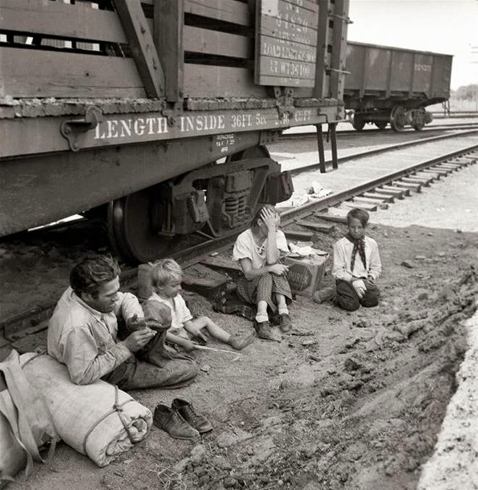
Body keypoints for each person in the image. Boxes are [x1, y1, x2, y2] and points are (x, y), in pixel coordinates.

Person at [47, 255, 199, 389]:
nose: (116, 298)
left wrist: (134, 318)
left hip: (113, 343)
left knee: (158, 310)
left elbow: (126, 298)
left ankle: (150, 355)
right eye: (110, 295)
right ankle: (144, 361)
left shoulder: (83, 290)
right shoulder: (77, 327)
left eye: (116, 291)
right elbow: (83, 375)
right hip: (109, 370)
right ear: (88, 296)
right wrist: (126, 347)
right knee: (189, 367)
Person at [146, 259, 255, 352]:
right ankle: (177, 348)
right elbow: (161, 333)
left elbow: (186, 321)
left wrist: (197, 333)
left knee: (204, 320)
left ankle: (232, 340)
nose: (180, 288)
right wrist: (183, 341)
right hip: (166, 338)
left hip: (180, 332)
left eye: (179, 284)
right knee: (166, 345)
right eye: (174, 285)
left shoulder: (177, 297)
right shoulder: (154, 304)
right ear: (160, 286)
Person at [232, 204, 293, 341]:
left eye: (276, 226)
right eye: (272, 226)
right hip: (249, 287)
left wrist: (271, 232)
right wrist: (269, 268)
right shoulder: (244, 238)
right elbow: (248, 274)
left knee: (276, 268)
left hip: (272, 290)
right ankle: (262, 320)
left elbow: (272, 259)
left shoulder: (277, 235)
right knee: (268, 272)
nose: (275, 230)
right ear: (260, 222)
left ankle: (283, 312)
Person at [332, 208, 382, 311]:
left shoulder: (371, 244)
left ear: (365, 227)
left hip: (363, 279)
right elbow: (337, 271)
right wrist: (353, 280)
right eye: (352, 227)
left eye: (360, 227)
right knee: (352, 305)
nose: (356, 231)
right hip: (346, 280)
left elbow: (376, 266)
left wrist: (370, 278)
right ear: (348, 226)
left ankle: (353, 295)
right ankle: (334, 295)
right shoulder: (340, 245)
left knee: (373, 299)